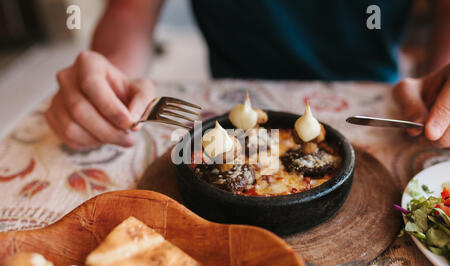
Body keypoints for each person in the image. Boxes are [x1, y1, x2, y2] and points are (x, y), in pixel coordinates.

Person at [45, 0, 450, 150]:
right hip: (229, 105)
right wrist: (108, 82)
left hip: (381, 108)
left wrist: (438, 87)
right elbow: (129, 14)